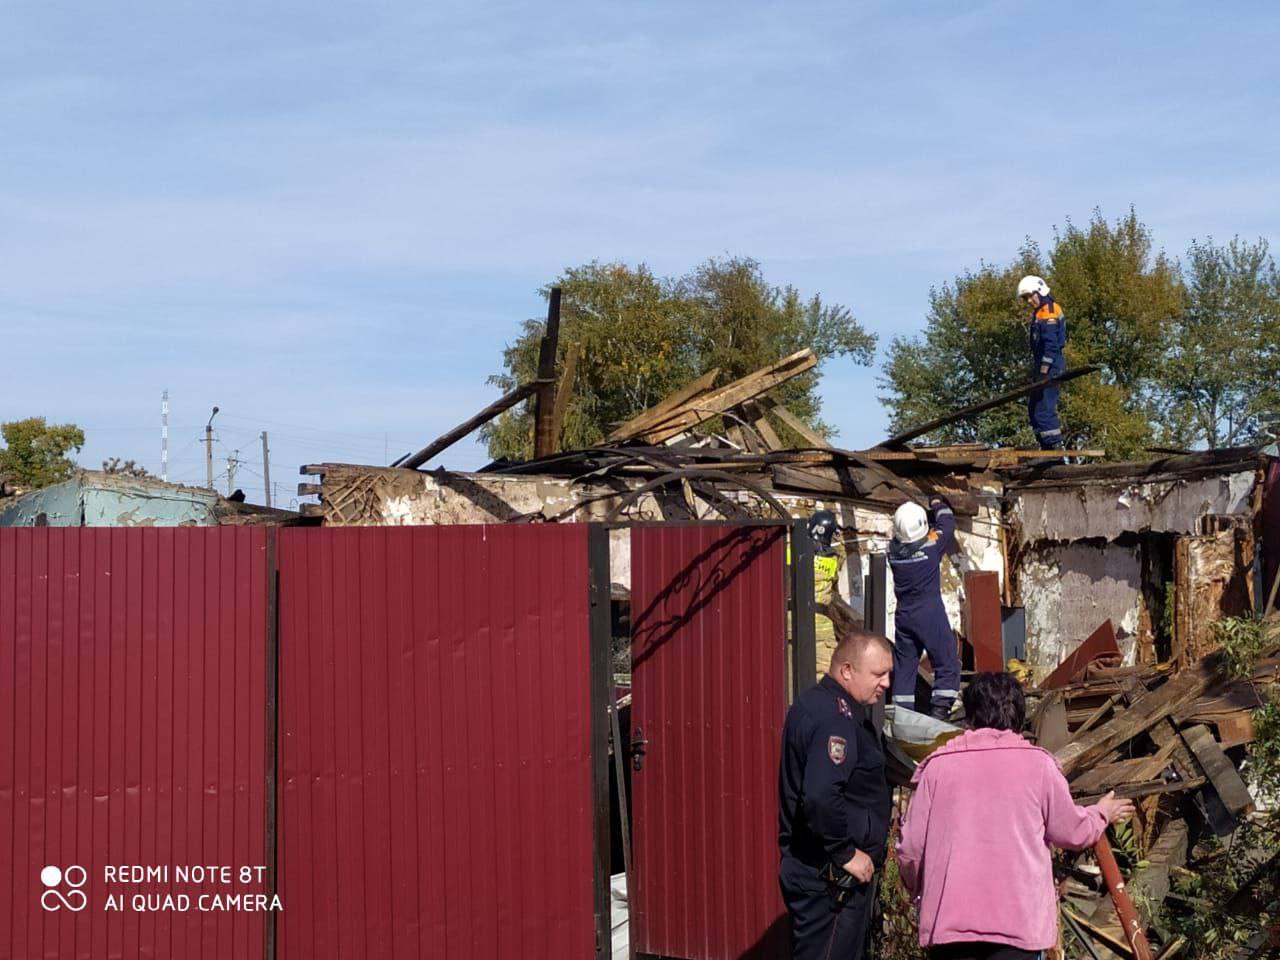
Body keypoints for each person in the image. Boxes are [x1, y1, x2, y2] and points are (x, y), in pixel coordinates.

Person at [897, 672, 1136, 959]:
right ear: (1020, 717)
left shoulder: (937, 769)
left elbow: (911, 849)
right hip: (1018, 926)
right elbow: (1071, 831)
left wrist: (915, 888)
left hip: (950, 926)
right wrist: (1101, 814)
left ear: (970, 717)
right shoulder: (1039, 766)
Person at [778, 628, 894, 960]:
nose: (886, 683)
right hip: (830, 879)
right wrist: (845, 853)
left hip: (821, 874)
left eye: (888, 674)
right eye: (878, 674)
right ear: (846, 671)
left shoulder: (818, 704)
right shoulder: (835, 719)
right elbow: (820, 796)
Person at [888, 495, 959, 719]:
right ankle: (940, 711)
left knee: (905, 665)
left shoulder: (893, 552)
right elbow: (947, 522)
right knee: (946, 660)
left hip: (904, 616)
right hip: (929, 613)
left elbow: (908, 541)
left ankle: (902, 715)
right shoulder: (930, 548)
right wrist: (937, 502)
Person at [1017, 275, 1067, 455]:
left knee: (1045, 407)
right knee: (1034, 407)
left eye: (1031, 296)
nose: (1029, 301)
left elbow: (1051, 344)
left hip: (1050, 365)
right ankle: (1045, 447)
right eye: (1026, 298)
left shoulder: (1049, 311)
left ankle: (1053, 448)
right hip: (1042, 366)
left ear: (1040, 291)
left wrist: (1045, 369)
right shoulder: (1040, 312)